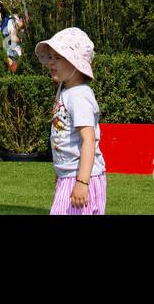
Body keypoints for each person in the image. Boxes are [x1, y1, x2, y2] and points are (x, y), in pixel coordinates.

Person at [36, 27, 107, 215]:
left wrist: (82, 182)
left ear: (76, 63)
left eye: (58, 58)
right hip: (69, 176)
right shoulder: (65, 91)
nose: (51, 62)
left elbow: (88, 140)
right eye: (50, 57)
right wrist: (62, 173)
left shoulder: (80, 96)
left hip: (83, 177)